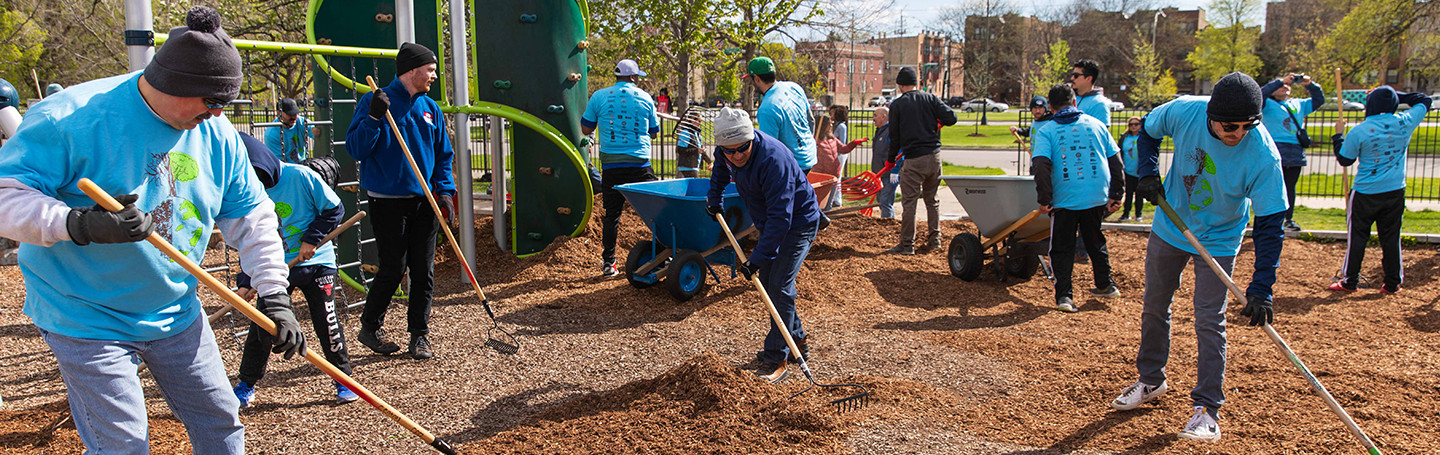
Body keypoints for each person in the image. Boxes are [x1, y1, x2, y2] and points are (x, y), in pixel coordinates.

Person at [0, 7, 302, 452]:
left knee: (222, 425)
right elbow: (6, 195)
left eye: (224, 104)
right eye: (211, 102)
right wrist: (79, 223)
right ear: (173, 84)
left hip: (175, 309)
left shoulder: (217, 133)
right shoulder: (69, 117)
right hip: (84, 312)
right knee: (121, 445)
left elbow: (252, 216)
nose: (218, 113)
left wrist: (275, 293)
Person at [1117, 72, 1287, 442]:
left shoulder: (1263, 155)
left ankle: (1207, 409)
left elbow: (1271, 224)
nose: (1238, 133)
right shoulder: (1184, 112)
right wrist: (1147, 172)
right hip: (1171, 225)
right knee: (1154, 305)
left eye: (1247, 126)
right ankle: (1150, 380)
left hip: (1221, 239)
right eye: (1230, 125)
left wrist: (1262, 287)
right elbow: (1147, 130)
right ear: (1212, 115)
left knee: (1210, 320)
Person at [346, 41, 456, 360]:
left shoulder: (430, 108)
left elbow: (443, 155)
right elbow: (356, 149)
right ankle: (369, 326)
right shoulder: (375, 101)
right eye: (430, 69)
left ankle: (419, 336)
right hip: (387, 201)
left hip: (425, 202)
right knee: (394, 267)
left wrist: (445, 191)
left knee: (423, 269)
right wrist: (374, 119)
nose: (434, 75)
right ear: (411, 70)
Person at [232, 132, 358, 407]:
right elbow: (248, 239)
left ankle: (344, 378)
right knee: (263, 325)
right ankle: (246, 384)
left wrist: (310, 240)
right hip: (273, 266)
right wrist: (246, 279)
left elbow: (334, 210)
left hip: (316, 262)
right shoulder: (249, 190)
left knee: (326, 321)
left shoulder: (301, 176)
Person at [705, 107, 821, 383]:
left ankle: (776, 358)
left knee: (778, 285)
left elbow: (782, 217)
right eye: (729, 151)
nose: (736, 156)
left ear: (751, 140)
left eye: (742, 149)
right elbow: (721, 172)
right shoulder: (726, 153)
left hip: (798, 223)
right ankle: (798, 341)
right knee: (772, 284)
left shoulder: (773, 159)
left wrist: (756, 258)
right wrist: (714, 198)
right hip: (771, 221)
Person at [1328, 87, 1432, 294]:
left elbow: (1345, 160)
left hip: (1365, 193)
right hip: (1394, 191)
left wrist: (1338, 136)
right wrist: (1393, 96)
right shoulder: (1405, 121)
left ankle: (1350, 281)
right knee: (1391, 238)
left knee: (1358, 237)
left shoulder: (1360, 130)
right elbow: (1424, 99)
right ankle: (1392, 283)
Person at [1031, 84, 1124, 313]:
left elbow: (1041, 165)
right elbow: (1116, 160)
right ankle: (1105, 285)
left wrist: (1045, 198)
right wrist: (1116, 193)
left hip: (1065, 199)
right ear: (1074, 102)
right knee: (1095, 240)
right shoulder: (1097, 125)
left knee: (1061, 247)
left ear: (1050, 107)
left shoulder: (1048, 130)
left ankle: (1064, 296)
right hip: (1095, 196)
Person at [581, 58, 660, 277]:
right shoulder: (645, 98)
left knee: (612, 214)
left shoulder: (598, 97)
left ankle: (609, 263)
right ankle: (664, 254)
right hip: (640, 164)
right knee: (657, 212)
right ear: (633, 77)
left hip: (612, 165)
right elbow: (654, 132)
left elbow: (586, 128)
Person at [884, 66, 957, 255]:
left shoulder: (897, 105)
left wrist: (890, 160)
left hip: (914, 159)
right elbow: (952, 118)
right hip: (934, 157)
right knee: (932, 200)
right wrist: (938, 121)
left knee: (909, 202)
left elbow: (895, 137)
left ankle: (907, 244)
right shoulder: (930, 98)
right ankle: (935, 240)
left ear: (900, 85)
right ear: (917, 83)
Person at [1260, 74, 1325, 232]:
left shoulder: (1299, 104)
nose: (1285, 87)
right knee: (1271, 186)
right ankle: (1266, 218)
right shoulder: (1267, 103)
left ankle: (1288, 219)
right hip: (1275, 149)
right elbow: (1260, 94)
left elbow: (1319, 100)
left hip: (1295, 151)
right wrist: (1280, 81)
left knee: (1290, 187)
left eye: (1288, 85)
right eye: (1282, 85)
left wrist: (1310, 84)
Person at [744, 57, 817, 173]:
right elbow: (811, 120)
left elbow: (769, 149)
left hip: (792, 166)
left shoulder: (767, 108)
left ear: (757, 79)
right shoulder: (794, 87)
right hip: (810, 156)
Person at [812, 114, 866, 208]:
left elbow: (844, 149)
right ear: (823, 125)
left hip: (834, 175)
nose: (832, 125)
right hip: (822, 177)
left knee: (828, 204)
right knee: (820, 204)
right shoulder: (815, 140)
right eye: (830, 124)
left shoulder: (832, 139)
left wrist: (854, 143)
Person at [869, 107, 901, 219]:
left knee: (885, 202)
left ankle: (889, 226)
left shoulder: (890, 132)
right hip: (879, 174)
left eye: (875, 115)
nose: (873, 119)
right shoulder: (880, 131)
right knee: (881, 201)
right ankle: (887, 223)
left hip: (888, 174)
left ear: (883, 116)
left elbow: (899, 151)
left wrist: (895, 171)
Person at [266, 97, 313, 164]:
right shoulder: (272, 134)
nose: (294, 117)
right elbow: (279, 164)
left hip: (304, 163)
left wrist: (316, 131)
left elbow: (316, 132)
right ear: (279, 113)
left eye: (295, 113)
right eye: (290, 114)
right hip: (286, 168)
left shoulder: (301, 122)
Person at [1069, 59, 1112, 127]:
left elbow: (1102, 133)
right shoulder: (1070, 98)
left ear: (1088, 78)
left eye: (1076, 76)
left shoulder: (1099, 103)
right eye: (1072, 75)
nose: (1072, 78)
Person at [1117, 116, 1145, 221]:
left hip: (1139, 170)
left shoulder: (1143, 137)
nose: (1133, 126)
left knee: (1139, 194)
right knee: (1128, 194)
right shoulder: (1125, 137)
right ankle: (1126, 214)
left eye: (1136, 124)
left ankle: (1139, 215)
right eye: (1131, 124)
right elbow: (1120, 152)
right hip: (1127, 170)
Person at [826, 105, 852, 208]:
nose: (830, 115)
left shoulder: (841, 127)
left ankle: (837, 200)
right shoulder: (834, 125)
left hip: (840, 155)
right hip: (834, 153)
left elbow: (842, 142)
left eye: (832, 113)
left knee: (838, 176)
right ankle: (834, 199)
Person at [674, 107, 707, 178]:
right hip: (687, 166)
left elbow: (700, 149)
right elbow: (680, 149)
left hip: (694, 165)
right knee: (696, 186)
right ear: (692, 121)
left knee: (694, 186)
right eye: (699, 121)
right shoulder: (686, 133)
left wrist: (709, 162)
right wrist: (696, 150)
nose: (700, 123)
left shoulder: (697, 133)